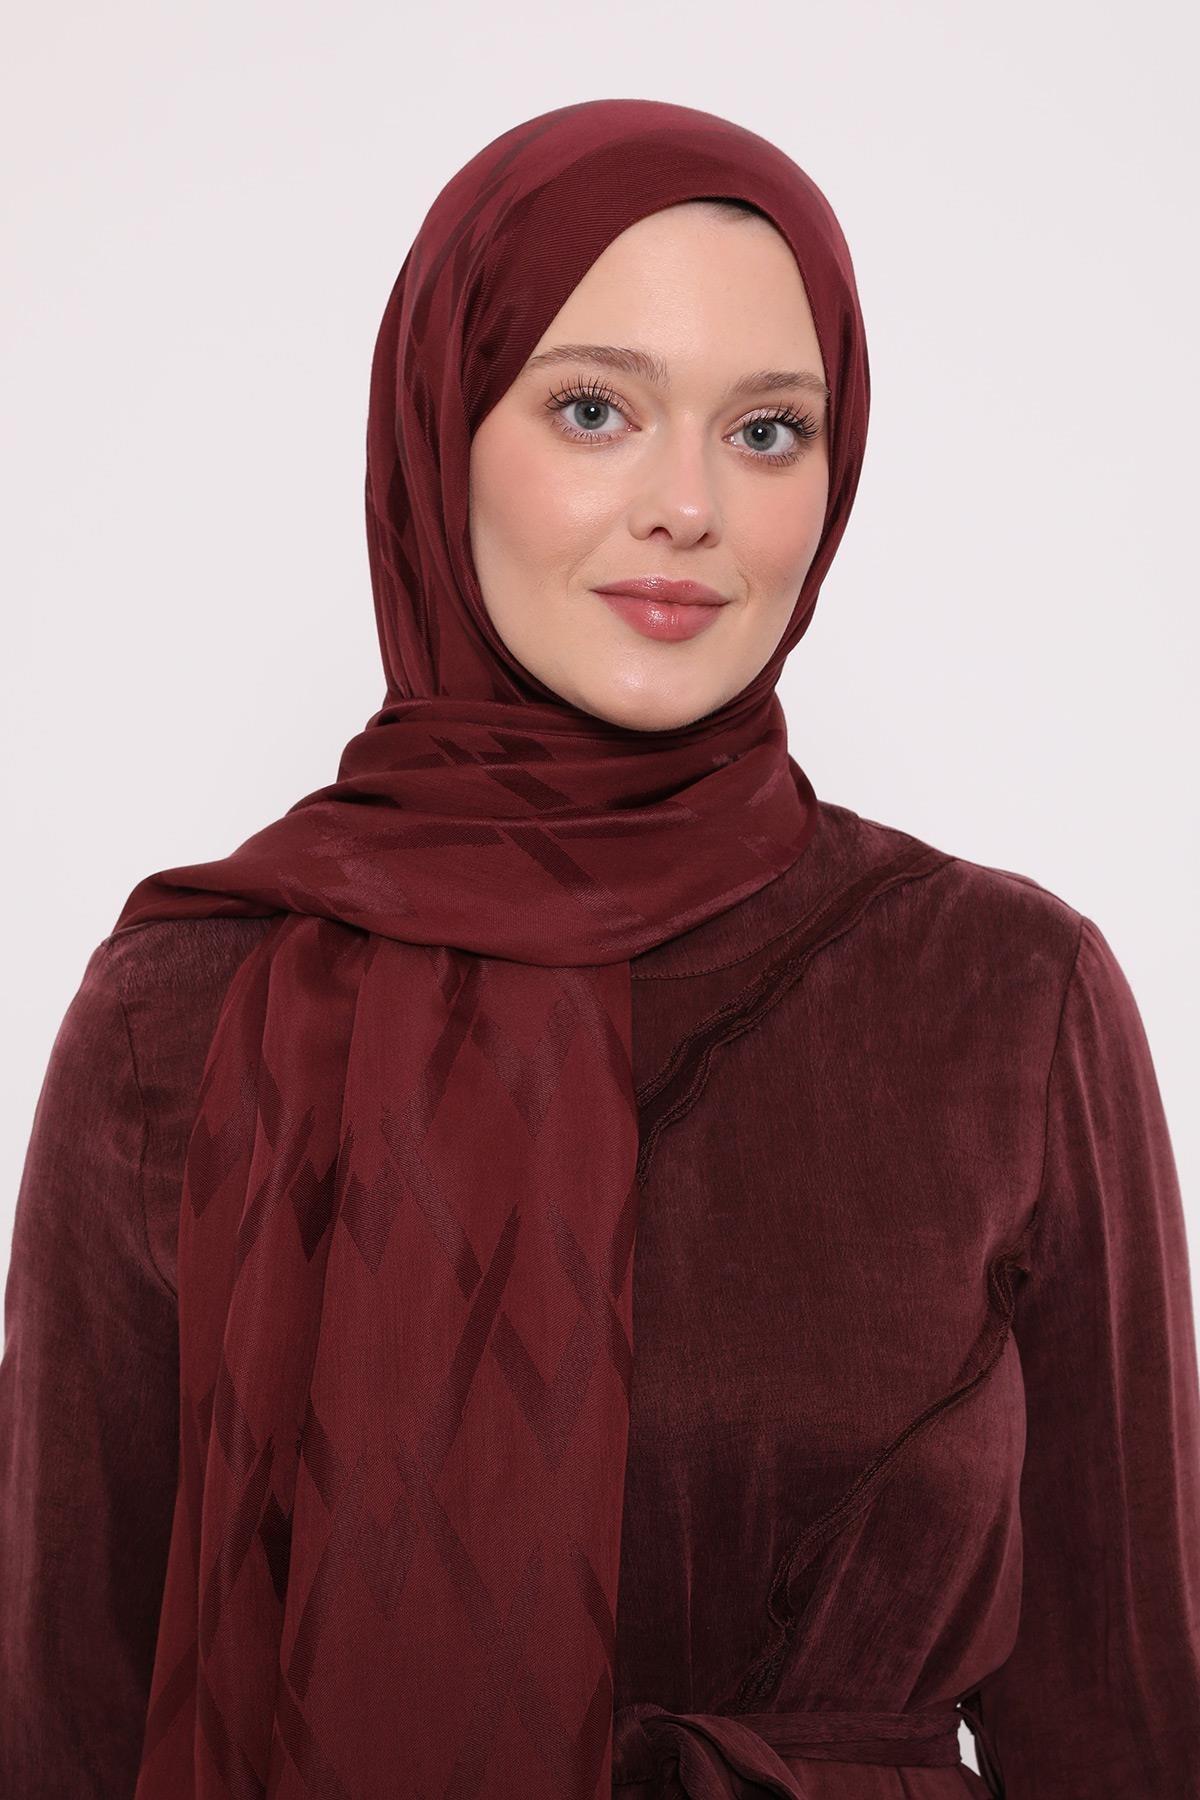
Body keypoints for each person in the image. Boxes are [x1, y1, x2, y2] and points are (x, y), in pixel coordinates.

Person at [2, 96, 1198, 1800]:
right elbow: (58, 1718)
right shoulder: (181, 1017)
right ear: (440, 435)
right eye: (593, 409)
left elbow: (1133, 1725)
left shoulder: (1008, 999)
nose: (688, 507)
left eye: (767, 431)